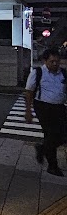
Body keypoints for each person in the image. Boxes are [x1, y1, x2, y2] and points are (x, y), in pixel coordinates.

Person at [25, 48, 67, 176]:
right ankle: (52, 166)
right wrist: (28, 111)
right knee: (51, 134)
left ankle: (42, 148)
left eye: (57, 61)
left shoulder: (63, 73)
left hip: (60, 107)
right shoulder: (38, 73)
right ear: (45, 61)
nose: (55, 64)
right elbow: (29, 92)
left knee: (62, 135)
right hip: (43, 107)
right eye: (52, 61)